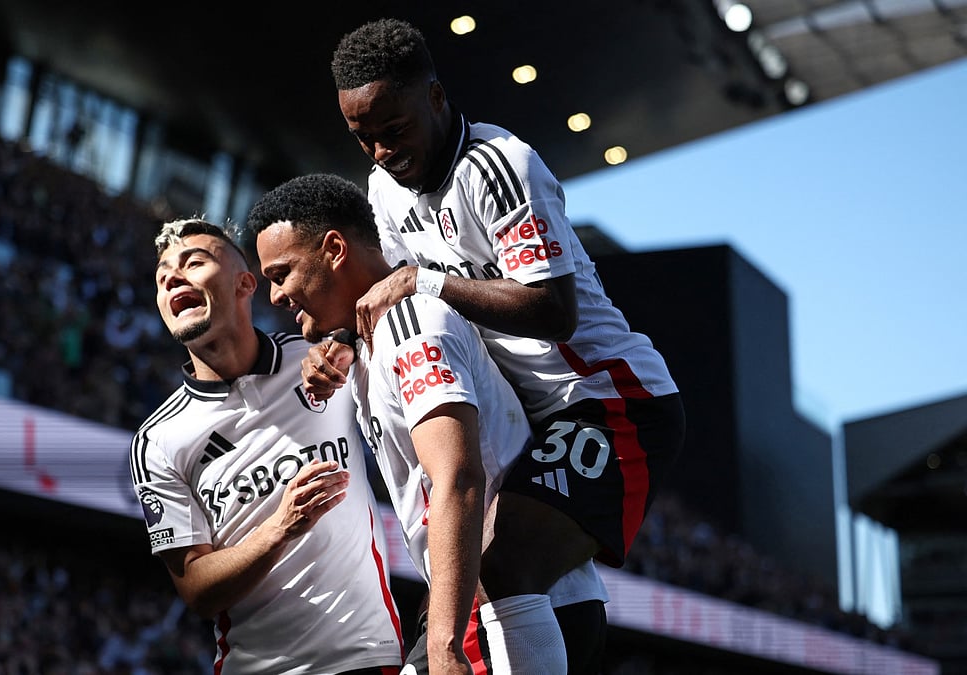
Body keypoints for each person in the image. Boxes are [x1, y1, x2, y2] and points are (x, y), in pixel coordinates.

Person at [311, 18, 689, 672]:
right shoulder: (383, 190)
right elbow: (400, 302)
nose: (380, 151)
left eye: (393, 129)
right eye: (362, 137)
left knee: (501, 564)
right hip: (524, 411)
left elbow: (555, 311)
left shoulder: (501, 166)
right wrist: (344, 343)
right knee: (462, 587)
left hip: (609, 400)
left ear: (435, 97)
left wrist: (427, 279)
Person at [250, 173, 610, 675]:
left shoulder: (412, 325)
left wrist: (443, 645)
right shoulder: (370, 340)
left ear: (334, 249)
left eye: (281, 273)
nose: (274, 296)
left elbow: (457, 478)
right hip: (491, 605)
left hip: (518, 611)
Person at [128, 218, 405, 675]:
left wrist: (346, 341)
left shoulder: (317, 357)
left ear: (245, 284)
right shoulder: (157, 440)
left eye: (193, 263)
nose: (173, 277)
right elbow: (196, 589)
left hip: (367, 657)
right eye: (162, 277)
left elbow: (380, 297)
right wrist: (280, 527)